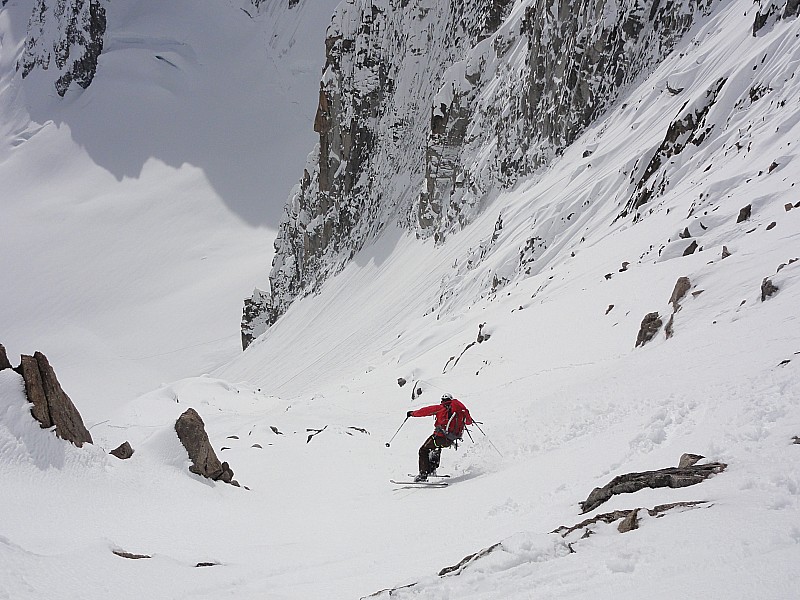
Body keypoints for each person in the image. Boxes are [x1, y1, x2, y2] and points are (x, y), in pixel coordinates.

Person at [406, 393, 473, 482]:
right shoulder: (460, 411)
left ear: (442, 401)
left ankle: (423, 474)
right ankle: (432, 470)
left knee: (423, 450)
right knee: (436, 448)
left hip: (440, 436)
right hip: (450, 439)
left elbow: (425, 411)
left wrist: (412, 413)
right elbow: (469, 422)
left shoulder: (441, 408)